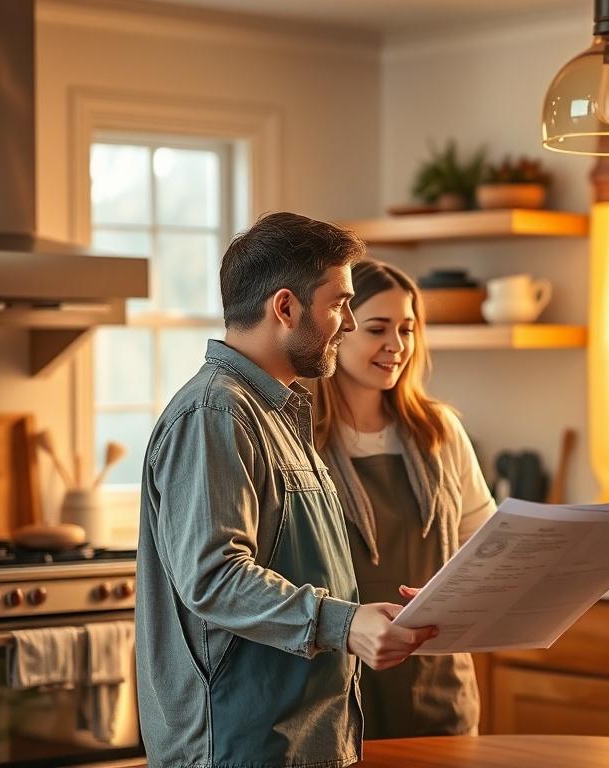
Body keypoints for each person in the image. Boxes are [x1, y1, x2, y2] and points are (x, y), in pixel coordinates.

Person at [135, 213, 437, 768]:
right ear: (285, 308)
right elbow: (214, 578)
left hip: (294, 743)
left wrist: (369, 615)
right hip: (238, 748)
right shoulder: (215, 413)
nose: (348, 323)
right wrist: (344, 623)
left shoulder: (276, 411)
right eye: (339, 304)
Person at [311, 259, 496, 739]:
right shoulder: (301, 440)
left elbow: (486, 548)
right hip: (335, 697)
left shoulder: (439, 431)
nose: (396, 345)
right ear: (337, 331)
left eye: (407, 330)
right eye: (378, 329)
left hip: (441, 688)